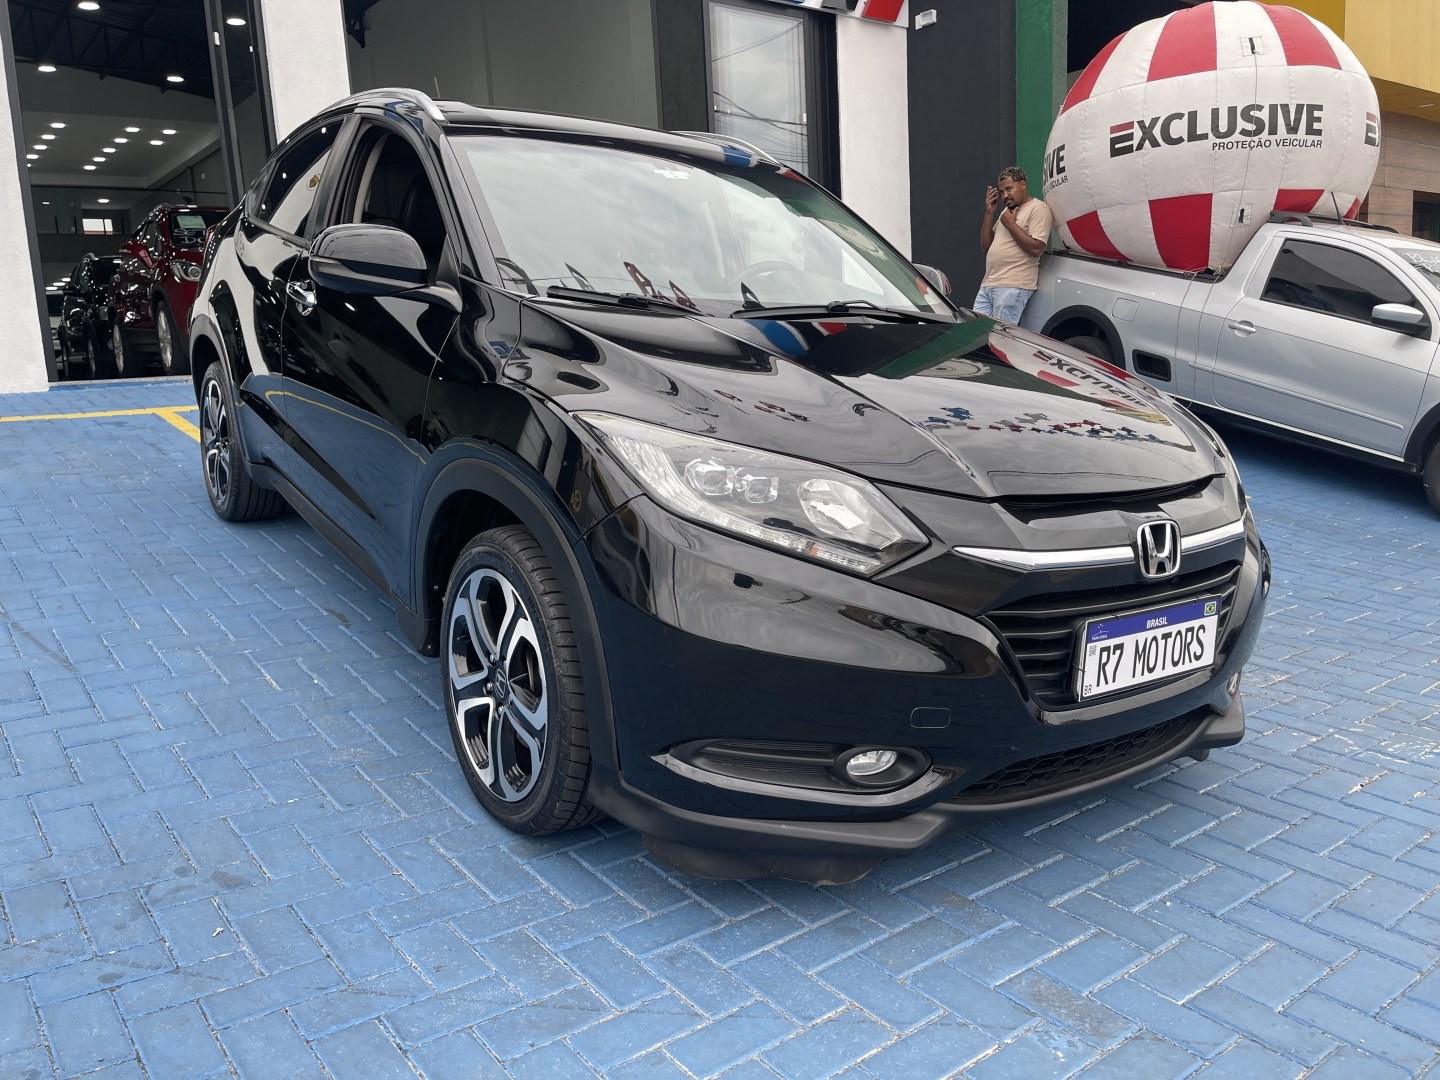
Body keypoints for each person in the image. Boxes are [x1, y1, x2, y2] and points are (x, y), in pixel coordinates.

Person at [975, 166, 1053, 323]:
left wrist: (1011, 225)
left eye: (1009, 189)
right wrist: (989, 212)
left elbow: (1036, 249)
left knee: (1001, 335)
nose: (1005, 195)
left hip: (1012, 286)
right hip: (989, 284)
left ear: (1023, 184)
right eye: (1001, 191)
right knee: (976, 333)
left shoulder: (1038, 208)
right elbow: (986, 246)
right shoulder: (1006, 213)